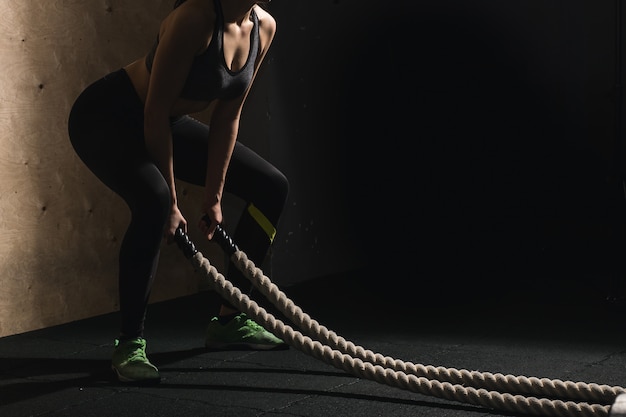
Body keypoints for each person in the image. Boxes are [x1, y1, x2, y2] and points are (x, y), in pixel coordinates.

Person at [67, 0, 289, 384]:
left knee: (271, 186)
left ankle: (229, 319)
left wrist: (214, 197)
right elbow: (153, 112)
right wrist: (172, 201)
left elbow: (227, 116)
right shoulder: (195, 19)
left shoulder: (263, 28)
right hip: (108, 117)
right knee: (154, 201)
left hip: (164, 120)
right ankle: (129, 343)